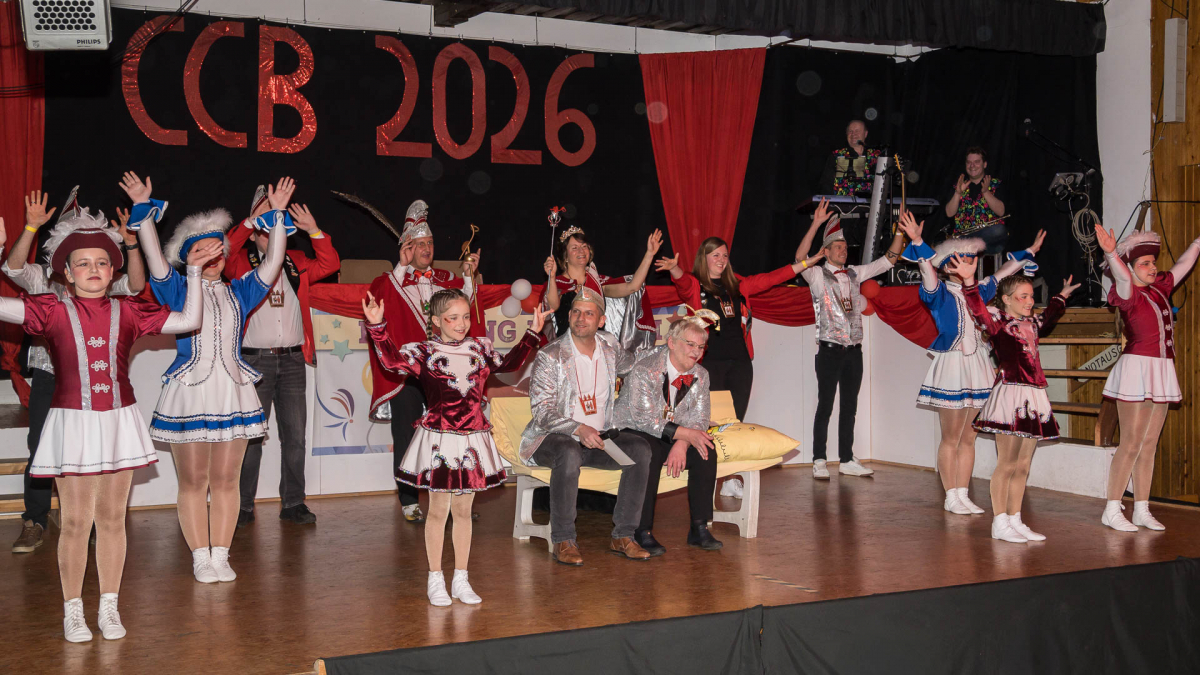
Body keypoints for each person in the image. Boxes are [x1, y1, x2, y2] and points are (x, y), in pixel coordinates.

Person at [0, 208, 205, 641]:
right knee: (76, 522)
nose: (93, 269)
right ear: (67, 273)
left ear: (113, 272)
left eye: (101, 262)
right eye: (82, 263)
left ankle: (109, 607)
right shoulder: (50, 309)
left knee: (112, 519)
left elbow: (190, 321)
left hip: (118, 422)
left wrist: (195, 273)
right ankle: (72, 610)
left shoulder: (128, 310)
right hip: (73, 423)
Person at [123, 171, 286, 583]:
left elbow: (273, 263)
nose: (213, 257)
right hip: (191, 393)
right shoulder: (177, 288)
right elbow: (155, 260)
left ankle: (222, 553)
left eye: (217, 250)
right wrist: (142, 208)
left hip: (233, 391)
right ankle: (199, 554)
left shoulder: (241, 291)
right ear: (189, 256)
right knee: (194, 481)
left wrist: (279, 216)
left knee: (227, 480)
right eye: (202, 251)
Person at [364, 288, 548, 605]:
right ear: (436, 321)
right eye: (452, 318)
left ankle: (461, 578)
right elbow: (392, 363)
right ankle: (435, 578)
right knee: (438, 512)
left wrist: (532, 333)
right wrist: (377, 327)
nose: (461, 324)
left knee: (463, 512)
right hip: (440, 439)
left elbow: (508, 364)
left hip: (472, 439)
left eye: (465, 317)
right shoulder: (424, 352)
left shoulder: (480, 349)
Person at [7, 190, 146, 554]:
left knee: (100, 451)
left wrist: (131, 245)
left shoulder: (101, 277)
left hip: (97, 381)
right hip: (52, 376)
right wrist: (30, 227)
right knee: (41, 447)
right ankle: (35, 520)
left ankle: (100, 522)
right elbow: (13, 269)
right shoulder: (43, 278)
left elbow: (135, 285)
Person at [902, 210, 1044, 515]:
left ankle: (963, 492)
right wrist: (917, 241)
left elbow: (1004, 273)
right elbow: (927, 271)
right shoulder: (939, 293)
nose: (970, 264)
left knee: (970, 436)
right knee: (951, 436)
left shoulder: (979, 292)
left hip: (978, 365)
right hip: (953, 365)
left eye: (972, 259)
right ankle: (950, 494)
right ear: (949, 265)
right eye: (963, 259)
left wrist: (1029, 251)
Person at [225, 178, 341, 527]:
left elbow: (330, 264)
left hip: (292, 359)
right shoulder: (239, 262)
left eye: (275, 220)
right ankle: (242, 506)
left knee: (295, 437)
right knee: (250, 437)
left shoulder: (297, 260)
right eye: (263, 226)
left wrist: (314, 230)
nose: (270, 228)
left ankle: (293, 503)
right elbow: (226, 247)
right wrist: (252, 219)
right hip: (252, 360)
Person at [946, 254, 1079, 543]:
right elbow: (978, 310)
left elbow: (1049, 315)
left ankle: (1015, 518)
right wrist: (969, 282)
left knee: (1023, 464)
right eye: (1023, 297)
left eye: (1031, 296)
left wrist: (1061, 297)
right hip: (1010, 395)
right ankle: (1000, 521)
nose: (1030, 301)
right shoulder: (998, 323)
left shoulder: (1032, 323)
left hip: (1034, 395)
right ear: (1006, 300)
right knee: (1007, 463)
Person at [655, 203, 828, 422]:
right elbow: (681, 281)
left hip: (740, 364)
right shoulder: (695, 285)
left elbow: (772, 278)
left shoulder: (739, 285)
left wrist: (805, 263)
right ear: (704, 258)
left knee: (735, 422)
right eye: (715, 255)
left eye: (725, 255)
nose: (721, 260)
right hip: (709, 364)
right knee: (709, 421)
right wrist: (673, 268)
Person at [518, 287, 653, 565]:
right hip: (551, 439)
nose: (581, 318)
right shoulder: (551, 355)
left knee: (639, 450)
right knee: (569, 451)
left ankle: (623, 535)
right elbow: (542, 412)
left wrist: (673, 351)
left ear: (601, 320)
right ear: (568, 316)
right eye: (576, 312)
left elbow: (638, 365)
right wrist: (578, 428)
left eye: (589, 314)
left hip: (598, 441)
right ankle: (563, 540)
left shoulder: (610, 349)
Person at [366, 199, 482, 524]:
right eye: (419, 244)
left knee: (451, 434)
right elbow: (379, 300)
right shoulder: (392, 280)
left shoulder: (445, 278)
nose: (427, 248)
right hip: (408, 372)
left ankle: (455, 499)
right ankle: (408, 500)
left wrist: (468, 277)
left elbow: (464, 309)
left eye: (430, 242)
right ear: (406, 248)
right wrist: (400, 267)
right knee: (406, 435)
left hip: (442, 371)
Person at [795, 200, 918, 479]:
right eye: (838, 247)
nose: (844, 250)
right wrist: (815, 224)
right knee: (825, 405)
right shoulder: (817, 275)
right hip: (829, 350)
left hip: (854, 351)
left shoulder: (855, 273)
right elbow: (799, 257)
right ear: (826, 251)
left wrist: (900, 232)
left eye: (845, 246)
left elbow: (888, 261)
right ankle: (819, 459)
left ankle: (847, 458)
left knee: (849, 406)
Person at [1095, 225, 1200, 532]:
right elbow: (1122, 276)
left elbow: (1184, 264)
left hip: (1162, 369)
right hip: (1136, 369)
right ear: (1131, 268)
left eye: (1153, 262)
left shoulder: (1161, 289)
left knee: (1149, 444)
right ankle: (1112, 508)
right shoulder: (1128, 292)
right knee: (1130, 443)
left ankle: (1142, 508)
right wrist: (1111, 253)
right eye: (1144, 263)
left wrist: (1198, 241)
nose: (1153, 267)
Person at [614, 315, 721, 555]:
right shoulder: (645, 369)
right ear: (671, 343)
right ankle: (641, 531)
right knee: (648, 451)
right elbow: (644, 419)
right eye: (690, 344)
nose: (696, 352)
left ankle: (699, 528)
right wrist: (684, 434)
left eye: (701, 347)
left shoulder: (701, 374)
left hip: (670, 432)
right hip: (631, 429)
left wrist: (683, 442)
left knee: (705, 448)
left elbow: (700, 418)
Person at [542, 225, 661, 338]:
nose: (581, 251)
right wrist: (551, 277)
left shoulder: (599, 283)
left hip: (597, 348)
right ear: (565, 256)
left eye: (584, 246)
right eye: (574, 248)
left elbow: (633, 287)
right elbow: (552, 306)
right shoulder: (557, 284)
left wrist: (649, 254)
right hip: (567, 347)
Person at [944, 147, 1007, 252]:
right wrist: (958, 193)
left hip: (987, 239)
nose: (972, 165)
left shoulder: (996, 184)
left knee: (998, 230)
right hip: (963, 236)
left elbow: (1001, 211)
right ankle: (970, 245)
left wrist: (986, 192)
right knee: (947, 240)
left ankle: (970, 245)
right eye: (969, 162)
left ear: (985, 164)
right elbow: (949, 213)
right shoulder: (959, 185)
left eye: (977, 162)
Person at [819, 119, 882, 196]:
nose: (853, 134)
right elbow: (826, 185)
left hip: (871, 202)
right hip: (842, 202)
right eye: (850, 131)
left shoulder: (877, 156)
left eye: (857, 131)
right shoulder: (836, 155)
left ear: (865, 134)